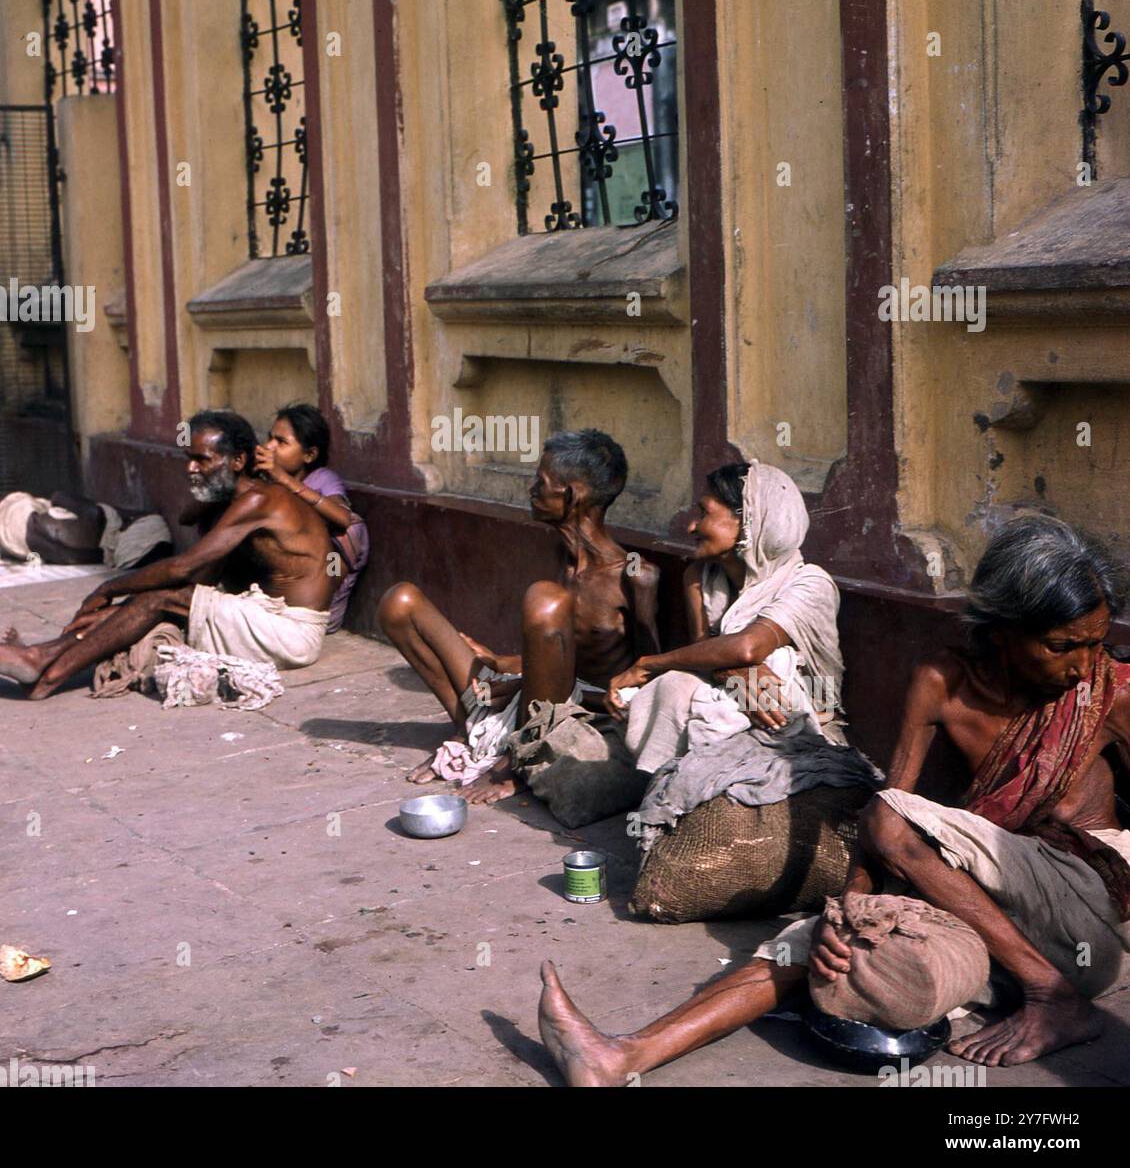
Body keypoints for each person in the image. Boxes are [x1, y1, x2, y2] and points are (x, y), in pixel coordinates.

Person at [536, 515, 1130, 1083]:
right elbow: (888, 824)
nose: (1082, 666)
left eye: (1093, 645)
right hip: (1005, 918)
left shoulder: (1111, 691)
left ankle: (1052, 999)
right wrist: (847, 917)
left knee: (890, 823)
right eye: (1061, 646)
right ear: (1003, 632)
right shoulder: (940, 683)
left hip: (1082, 906)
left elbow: (894, 819)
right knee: (823, 945)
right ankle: (621, 1056)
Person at [0, 410, 336, 698]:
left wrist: (109, 587)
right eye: (189, 458)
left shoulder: (260, 499)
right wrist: (122, 603)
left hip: (291, 632)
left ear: (238, 461)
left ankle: (47, 675)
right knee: (139, 606)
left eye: (203, 460)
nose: (191, 469)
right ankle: (41, 654)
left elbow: (184, 568)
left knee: (158, 597)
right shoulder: (236, 502)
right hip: (259, 617)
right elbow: (202, 580)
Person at [379, 429, 659, 805]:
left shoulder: (634, 576)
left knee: (545, 600)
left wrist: (527, 684)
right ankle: (472, 736)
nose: (531, 489)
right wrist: (502, 665)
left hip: (577, 715)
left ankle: (514, 762)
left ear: (571, 496)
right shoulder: (560, 559)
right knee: (401, 603)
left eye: (540, 483)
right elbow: (556, 657)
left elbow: (648, 681)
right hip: (531, 697)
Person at [607, 461, 875, 844]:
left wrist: (648, 664)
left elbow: (749, 646)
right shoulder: (700, 577)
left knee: (770, 666)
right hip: (740, 695)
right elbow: (706, 651)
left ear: (749, 521)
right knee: (679, 685)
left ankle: (698, 799)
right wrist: (733, 671)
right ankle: (675, 799)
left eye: (704, 513)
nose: (692, 526)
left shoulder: (810, 583)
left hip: (799, 719)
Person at [253, 403, 369, 633]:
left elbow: (342, 518)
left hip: (317, 600)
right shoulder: (263, 479)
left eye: (281, 442)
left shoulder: (322, 479)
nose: (269, 447)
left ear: (309, 455)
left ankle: (310, 606)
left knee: (352, 530)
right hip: (274, 590)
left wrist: (284, 480)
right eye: (270, 438)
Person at [0, 489, 172, 569]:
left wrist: (129, 512)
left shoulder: (101, 515)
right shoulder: (98, 555)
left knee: (48, 508)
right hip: (19, 546)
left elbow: (59, 496)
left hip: (17, 526)